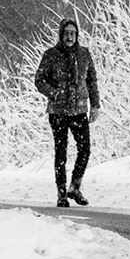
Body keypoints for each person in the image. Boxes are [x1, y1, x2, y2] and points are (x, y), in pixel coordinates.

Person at [34, 18, 99, 208]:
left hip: (79, 109)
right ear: (61, 34)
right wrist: (54, 93)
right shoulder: (51, 55)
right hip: (58, 111)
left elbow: (92, 81)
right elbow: (39, 80)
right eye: (67, 33)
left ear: (77, 35)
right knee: (60, 152)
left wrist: (95, 106)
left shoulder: (84, 54)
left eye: (73, 33)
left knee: (85, 149)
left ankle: (75, 187)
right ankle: (61, 193)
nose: (70, 37)